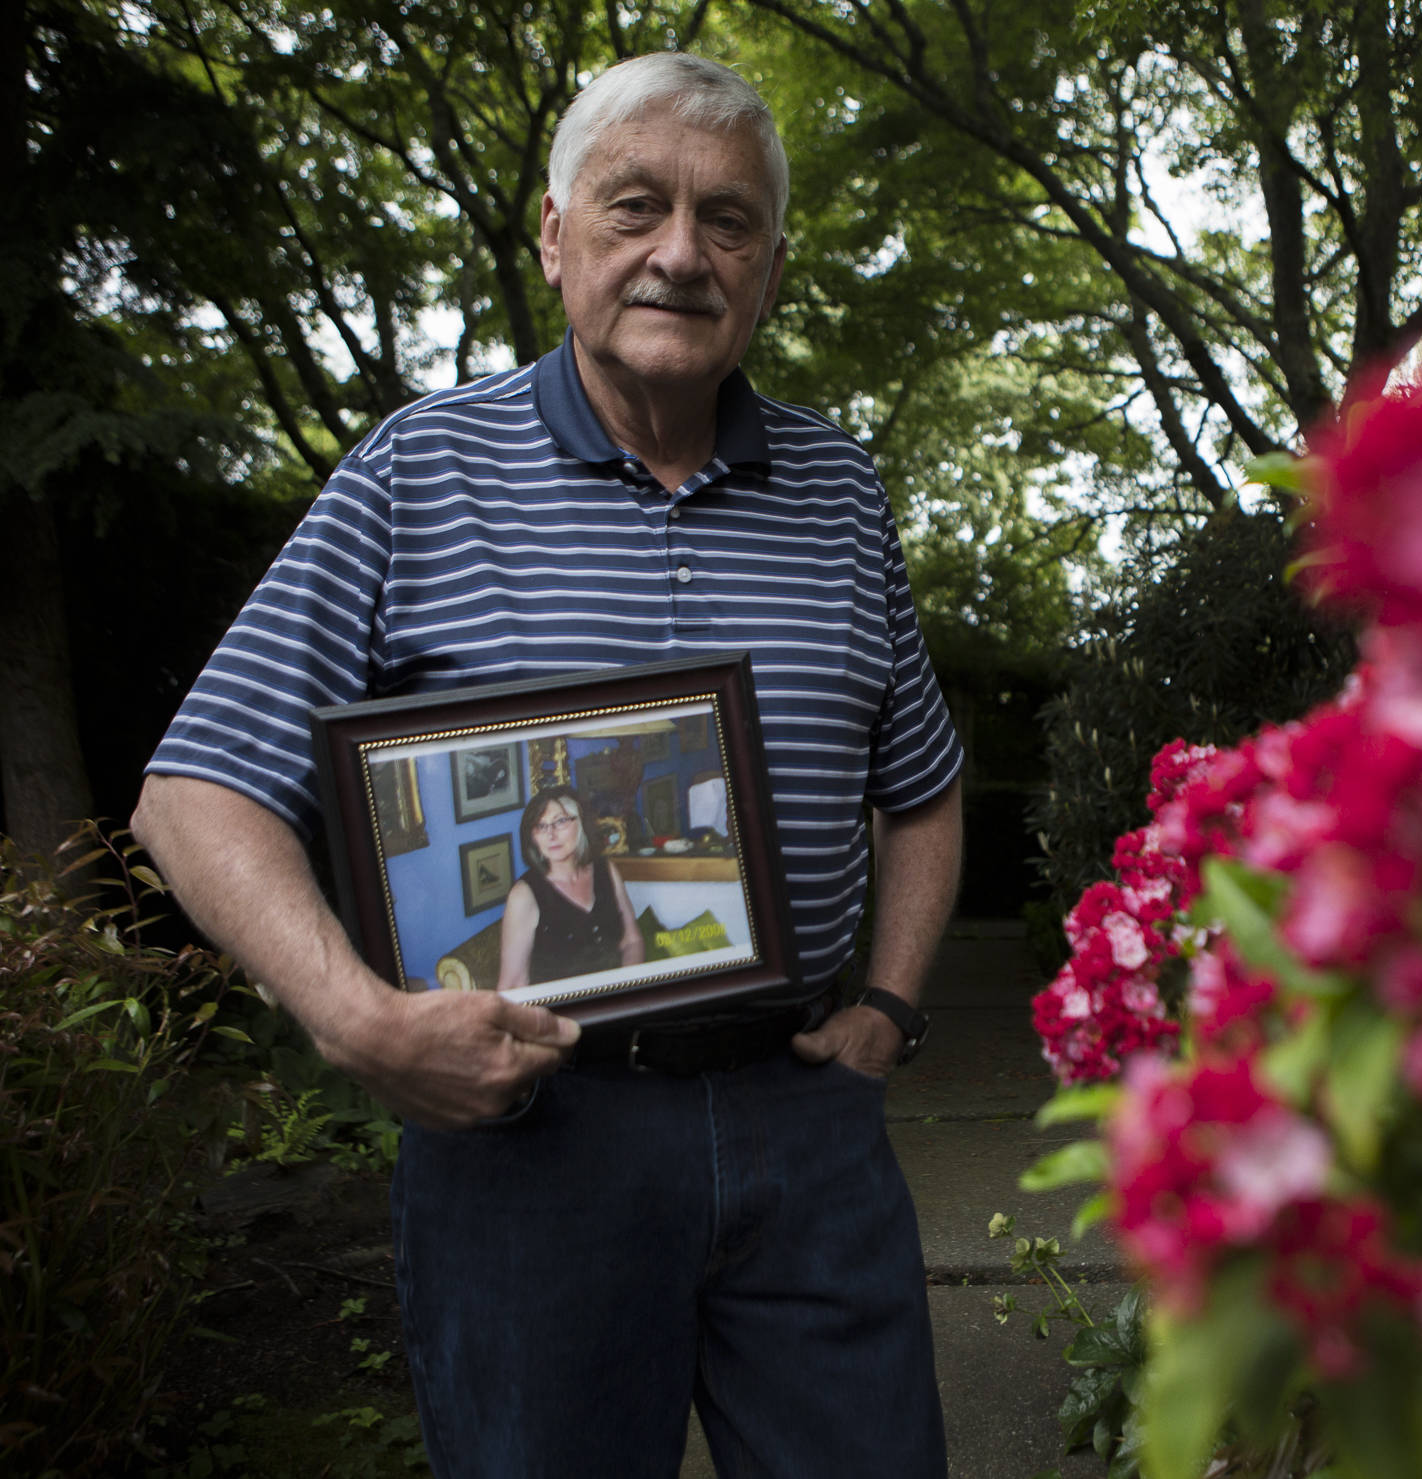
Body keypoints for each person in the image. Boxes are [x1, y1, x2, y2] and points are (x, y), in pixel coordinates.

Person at [130, 51, 961, 1479]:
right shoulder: (414, 470)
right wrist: (352, 1017)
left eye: (730, 220)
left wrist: (887, 999)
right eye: (636, 206)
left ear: (771, 264)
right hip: (530, 1144)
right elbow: (196, 783)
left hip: (805, 1124)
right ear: (556, 235)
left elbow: (926, 781)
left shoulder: (840, 488)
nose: (681, 254)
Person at [497, 787, 645, 990]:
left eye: (560, 821)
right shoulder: (524, 895)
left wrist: (627, 988)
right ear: (532, 837)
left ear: (582, 824)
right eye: (540, 826)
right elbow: (513, 984)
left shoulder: (606, 869)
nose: (551, 834)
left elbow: (632, 940)